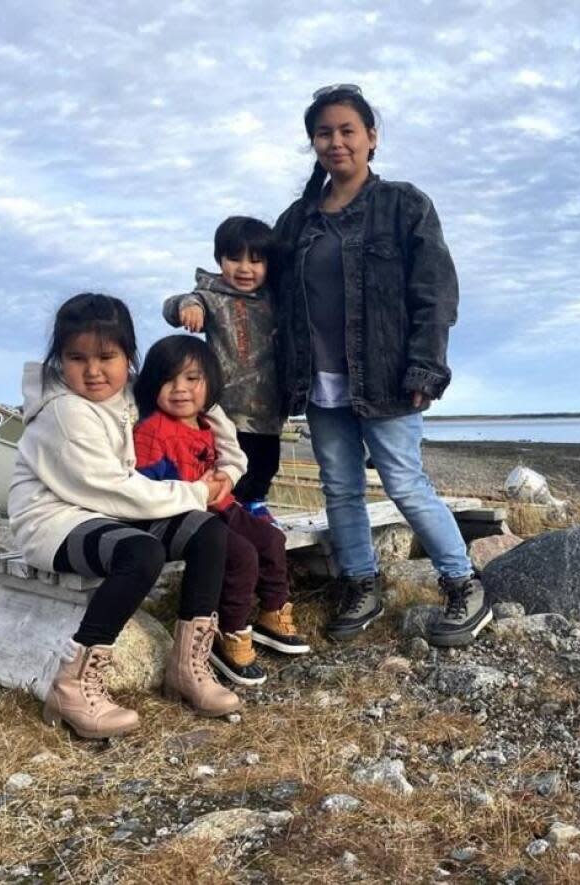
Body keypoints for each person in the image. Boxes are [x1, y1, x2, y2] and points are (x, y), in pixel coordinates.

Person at [271, 84, 491, 647]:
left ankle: (464, 583)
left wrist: (426, 366)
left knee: (405, 483)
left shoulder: (404, 204)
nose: (336, 142)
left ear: (371, 137)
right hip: (319, 384)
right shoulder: (297, 222)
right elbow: (254, 283)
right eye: (325, 133)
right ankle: (360, 584)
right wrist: (192, 301)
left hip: (389, 378)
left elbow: (436, 292)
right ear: (313, 143)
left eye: (348, 130)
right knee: (340, 489)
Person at [8, 293, 242, 739]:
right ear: (59, 359)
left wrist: (228, 471)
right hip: (55, 520)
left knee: (208, 533)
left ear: (128, 356)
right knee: (141, 552)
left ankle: (187, 668)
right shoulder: (64, 411)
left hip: (116, 512)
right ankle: (72, 685)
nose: (93, 371)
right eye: (76, 358)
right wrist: (195, 490)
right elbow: (110, 489)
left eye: (106, 357)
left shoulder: (134, 390)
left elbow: (206, 407)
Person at [133, 335, 310, 688]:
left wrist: (224, 482)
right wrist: (193, 491)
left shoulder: (207, 423)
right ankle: (229, 631)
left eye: (192, 379)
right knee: (241, 555)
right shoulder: (151, 431)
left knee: (271, 538)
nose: (180, 389)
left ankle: (272, 612)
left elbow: (230, 463)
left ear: (210, 383)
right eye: (168, 379)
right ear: (152, 384)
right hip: (184, 514)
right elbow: (144, 488)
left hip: (221, 505)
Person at [163, 216, 283, 522]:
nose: (245, 269)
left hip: (268, 403)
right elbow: (178, 303)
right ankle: (223, 506)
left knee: (265, 460)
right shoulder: (211, 295)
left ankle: (255, 502)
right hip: (224, 404)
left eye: (256, 261)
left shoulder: (276, 297)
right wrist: (186, 309)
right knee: (227, 458)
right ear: (219, 260)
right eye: (234, 259)